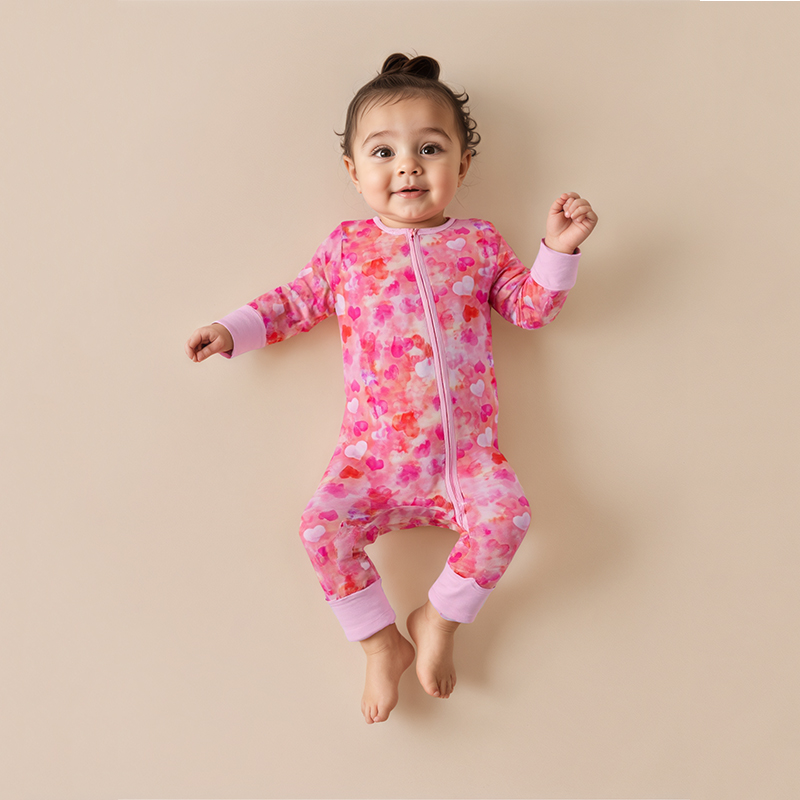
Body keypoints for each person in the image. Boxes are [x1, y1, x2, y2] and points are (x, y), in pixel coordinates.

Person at [185, 53, 598, 724]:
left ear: (462, 164)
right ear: (354, 171)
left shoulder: (479, 244)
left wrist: (559, 249)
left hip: (466, 460)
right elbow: (296, 301)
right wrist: (231, 330)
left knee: (509, 518)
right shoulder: (348, 248)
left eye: (429, 149)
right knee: (320, 528)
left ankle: (437, 618)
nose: (408, 166)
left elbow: (530, 310)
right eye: (384, 152)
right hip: (371, 458)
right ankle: (381, 643)